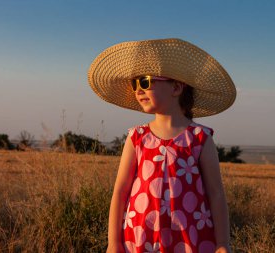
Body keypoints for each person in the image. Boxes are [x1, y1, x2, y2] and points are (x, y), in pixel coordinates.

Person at [87, 38, 237, 253]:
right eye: (135, 83)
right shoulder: (137, 137)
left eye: (146, 82)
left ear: (176, 87)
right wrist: (114, 242)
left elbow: (216, 194)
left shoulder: (199, 138)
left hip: (191, 237)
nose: (138, 90)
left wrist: (223, 243)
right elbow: (121, 191)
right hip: (139, 236)